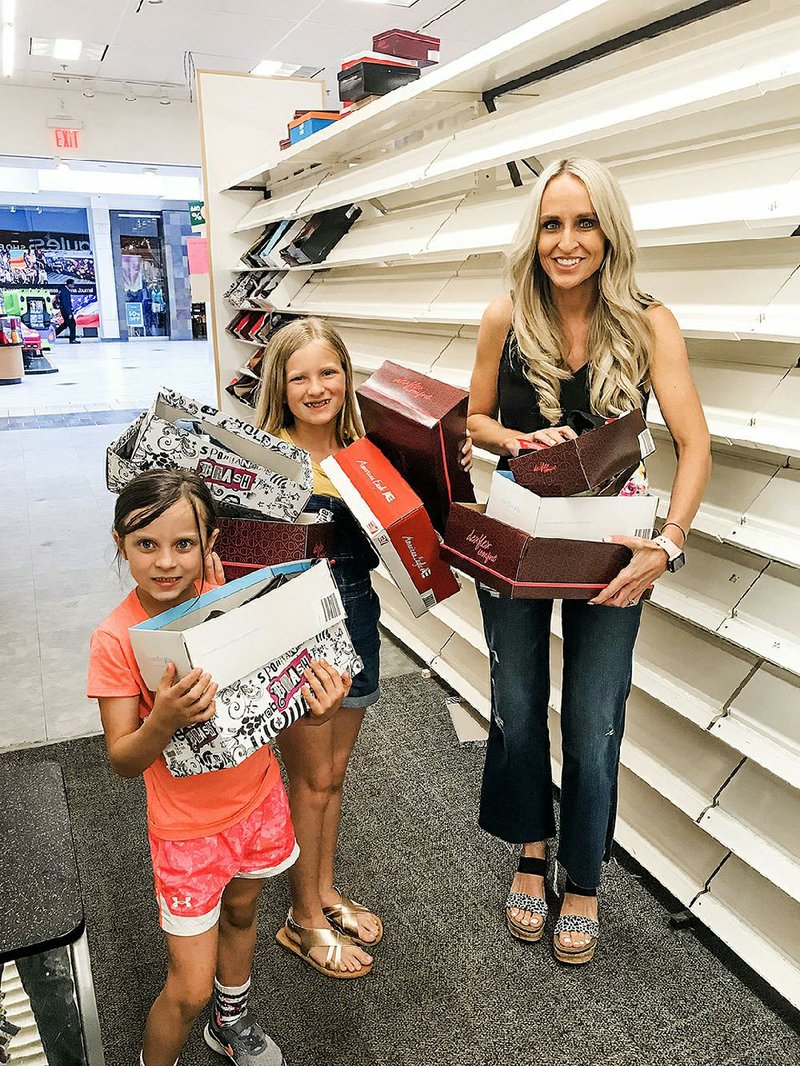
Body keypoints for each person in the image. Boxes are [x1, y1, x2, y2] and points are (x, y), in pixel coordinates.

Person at [467, 157, 710, 965]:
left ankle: (583, 881)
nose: (566, 241)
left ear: (610, 231)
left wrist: (667, 544)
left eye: (584, 223)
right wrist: (515, 438)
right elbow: (474, 420)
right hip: (518, 536)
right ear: (532, 234)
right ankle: (531, 851)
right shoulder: (505, 314)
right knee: (517, 698)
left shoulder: (649, 323)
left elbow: (695, 444)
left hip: (614, 549)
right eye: (550, 224)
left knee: (597, 717)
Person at [88, 469, 352, 1065]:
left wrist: (319, 709)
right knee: (188, 989)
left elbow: (270, 706)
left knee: (243, 912)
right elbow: (122, 759)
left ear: (211, 546)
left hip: (259, 803)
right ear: (119, 544)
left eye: (184, 543)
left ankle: (230, 1023)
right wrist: (165, 720)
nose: (166, 562)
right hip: (186, 836)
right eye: (145, 544)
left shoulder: (224, 591)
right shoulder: (115, 639)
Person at [255, 317, 471, 978]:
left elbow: (429, 524)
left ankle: (321, 893)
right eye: (301, 377)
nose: (317, 387)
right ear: (280, 386)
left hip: (355, 611)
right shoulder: (266, 460)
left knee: (334, 777)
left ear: (347, 378)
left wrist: (449, 467)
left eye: (329, 372)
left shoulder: (368, 452)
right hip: (295, 623)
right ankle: (302, 921)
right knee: (310, 779)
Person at [55, 278, 79, 343]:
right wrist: (69, 313)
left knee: (65, 324)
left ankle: (54, 334)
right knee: (72, 324)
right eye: (73, 285)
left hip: (64, 310)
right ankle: (72, 339)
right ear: (69, 284)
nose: (73, 286)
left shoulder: (64, 290)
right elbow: (66, 303)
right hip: (66, 311)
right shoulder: (65, 291)